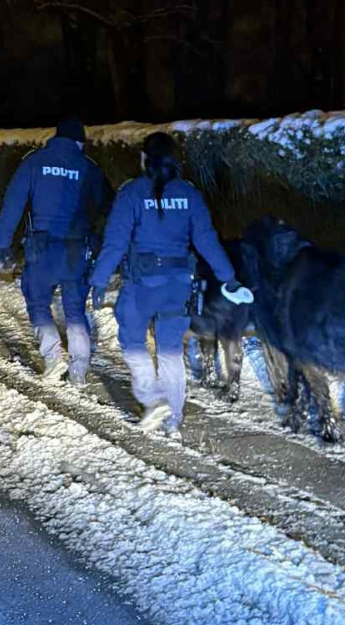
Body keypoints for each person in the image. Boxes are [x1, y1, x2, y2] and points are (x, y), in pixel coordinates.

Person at [87, 132, 254, 433]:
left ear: (144, 159)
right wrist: (228, 279)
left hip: (141, 285)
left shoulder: (131, 193)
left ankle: (152, 399)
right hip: (179, 285)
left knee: (132, 341)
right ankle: (173, 419)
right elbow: (207, 240)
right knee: (170, 348)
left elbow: (115, 242)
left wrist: (100, 280)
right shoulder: (189, 194)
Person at [0, 117, 113, 385]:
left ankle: (53, 357)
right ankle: (79, 370)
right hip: (76, 250)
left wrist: (2, 244)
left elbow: (12, 206)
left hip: (41, 250)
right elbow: (109, 207)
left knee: (38, 304)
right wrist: (99, 243)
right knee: (75, 310)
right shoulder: (88, 166)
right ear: (79, 142)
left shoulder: (33, 162)